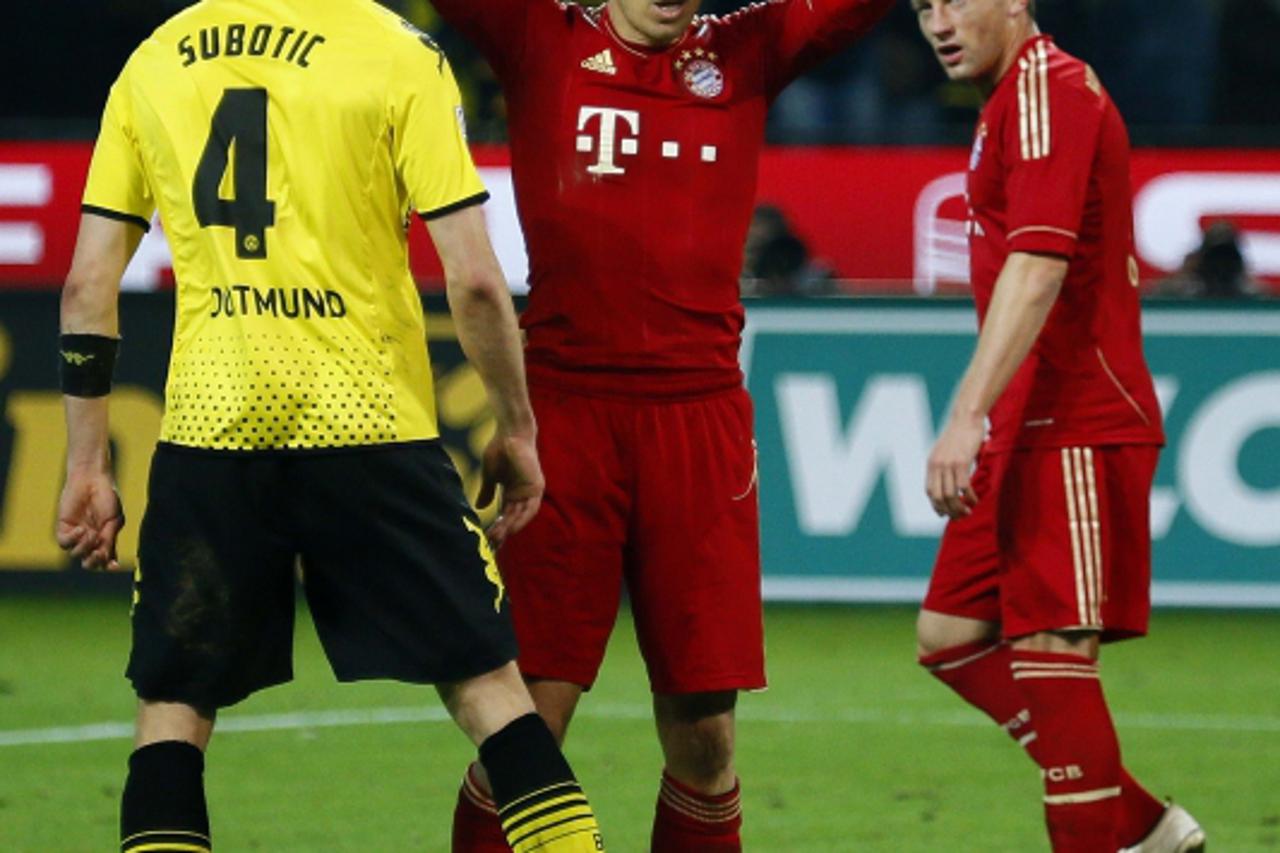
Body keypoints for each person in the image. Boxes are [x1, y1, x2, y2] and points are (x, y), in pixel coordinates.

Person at [55, 2, 606, 851]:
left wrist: (87, 463)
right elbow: (479, 282)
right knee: (490, 694)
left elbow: (88, 288)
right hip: (370, 427)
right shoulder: (396, 53)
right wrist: (517, 425)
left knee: (173, 711)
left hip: (213, 430)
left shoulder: (156, 58)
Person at [427, 0, 891, 849]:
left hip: (699, 425)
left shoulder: (743, 51)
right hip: (567, 420)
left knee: (706, 733)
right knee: (530, 722)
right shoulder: (545, 38)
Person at [910, 1, 1205, 851]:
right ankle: (1145, 825)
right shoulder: (1007, 101)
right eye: (923, 6)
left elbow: (1038, 267)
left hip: (1074, 414)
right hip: (1027, 421)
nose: (938, 22)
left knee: (1051, 648)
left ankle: (1120, 831)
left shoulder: (1048, 87)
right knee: (953, 636)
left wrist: (965, 414)